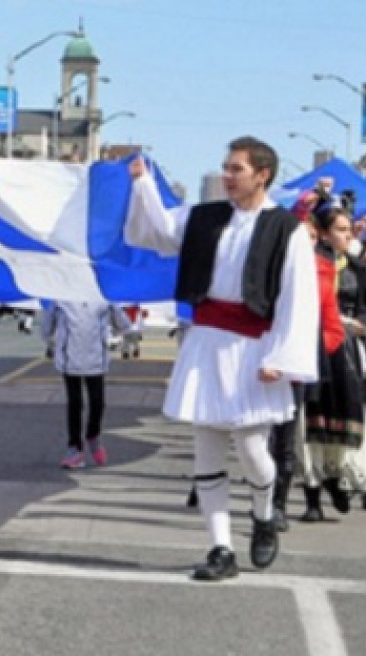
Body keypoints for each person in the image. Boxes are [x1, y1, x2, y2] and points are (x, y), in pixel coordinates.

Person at [126, 138, 318, 581]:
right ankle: (220, 548)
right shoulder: (205, 217)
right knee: (206, 447)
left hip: (255, 346)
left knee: (253, 449)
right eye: (226, 168)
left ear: (262, 174)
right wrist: (142, 187)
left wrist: (283, 357)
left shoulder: (284, 228)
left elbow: (297, 298)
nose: (227, 176)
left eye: (237, 169)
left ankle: (264, 514)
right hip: (207, 342)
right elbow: (154, 232)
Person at [297, 192, 365, 521]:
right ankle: (312, 495)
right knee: (310, 415)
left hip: (348, 350)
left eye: (350, 230)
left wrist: (360, 324)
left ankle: (337, 480)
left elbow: (363, 306)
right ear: (324, 233)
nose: (348, 236)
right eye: (341, 229)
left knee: (346, 411)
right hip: (315, 344)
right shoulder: (310, 265)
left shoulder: (355, 268)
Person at [42, 301, 129, 469]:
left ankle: (93, 435)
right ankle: (75, 447)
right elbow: (46, 328)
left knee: (98, 403)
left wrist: (114, 333)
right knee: (75, 404)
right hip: (70, 360)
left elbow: (123, 323)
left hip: (96, 359)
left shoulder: (102, 296)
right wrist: (55, 344)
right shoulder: (60, 298)